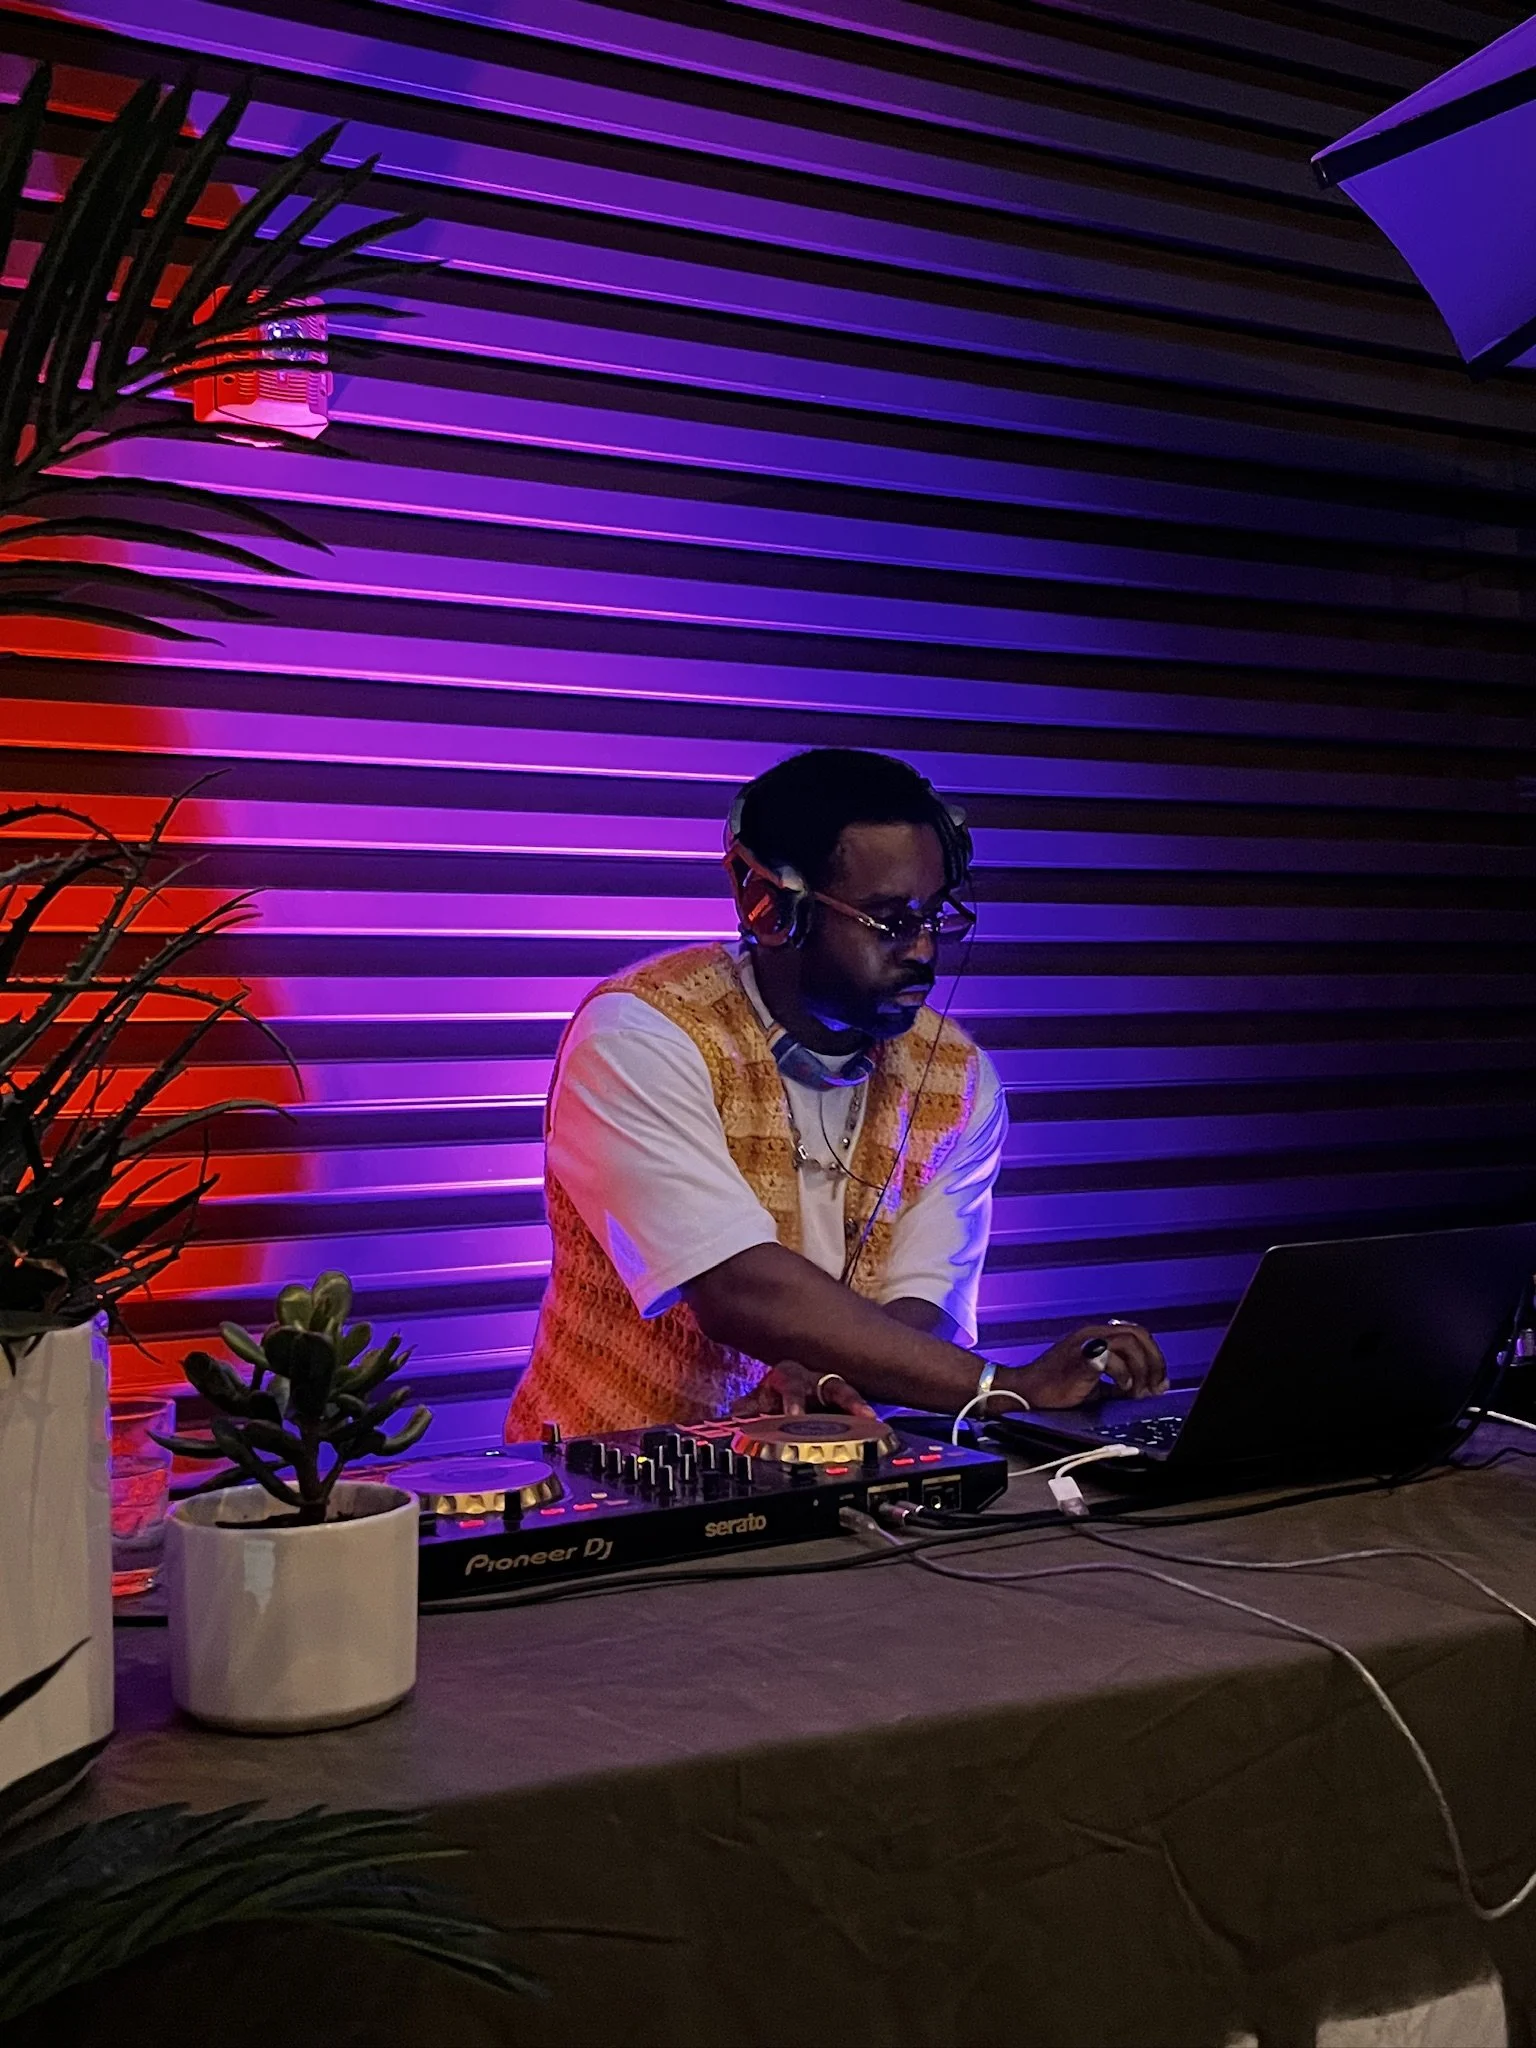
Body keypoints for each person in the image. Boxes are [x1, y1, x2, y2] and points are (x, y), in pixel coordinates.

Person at [504, 747, 1165, 1440]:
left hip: (832, 1474)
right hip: (613, 1477)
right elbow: (735, 1288)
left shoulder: (959, 1077)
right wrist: (1002, 1389)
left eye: (934, 916)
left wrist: (833, 1382)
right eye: (889, 920)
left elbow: (923, 1305)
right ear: (773, 910)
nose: (923, 950)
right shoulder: (640, 1036)